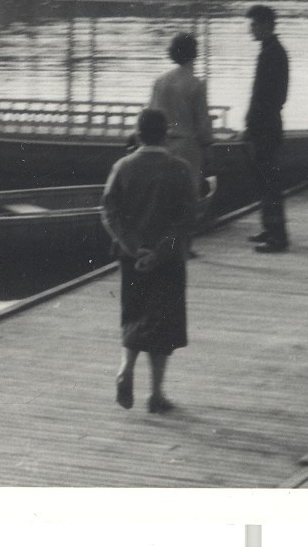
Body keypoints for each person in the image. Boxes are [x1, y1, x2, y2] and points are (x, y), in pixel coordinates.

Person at [101, 108, 196, 415]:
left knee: (134, 313)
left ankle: (125, 367)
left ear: (138, 134)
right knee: (164, 322)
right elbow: (186, 218)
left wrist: (133, 248)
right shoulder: (179, 168)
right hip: (167, 259)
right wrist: (159, 250)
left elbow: (109, 212)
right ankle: (156, 394)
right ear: (166, 134)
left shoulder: (123, 166)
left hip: (131, 258)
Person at [243, 5, 290, 253]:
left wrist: (252, 124)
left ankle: (277, 237)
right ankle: (269, 228)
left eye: (253, 24)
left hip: (266, 126)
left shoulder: (272, 54)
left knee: (270, 181)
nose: (250, 29)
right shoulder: (271, 51)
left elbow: (266, 96)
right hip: (268, 123)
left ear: (264, 25)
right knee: (265, 180)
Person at [148, 32, 213, 202]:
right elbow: (203, 124)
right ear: (194, 53)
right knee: (188, 195)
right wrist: (208, 147)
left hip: (162, 145)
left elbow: (150, 115)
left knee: (163, 195)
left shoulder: (160, 81)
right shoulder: (196, 84)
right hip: (187, 147)